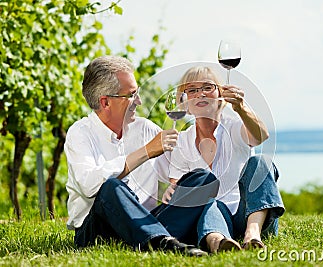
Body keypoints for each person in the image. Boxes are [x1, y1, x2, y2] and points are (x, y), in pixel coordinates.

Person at [64, 56, 215, 256]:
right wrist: (145, 152)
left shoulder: (145, 128)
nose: (140, 101)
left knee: (203, 179)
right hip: (98, 230)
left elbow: (182, 165)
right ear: (106, 102)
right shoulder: (80, 133)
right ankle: (162, 241)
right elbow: (89, 185)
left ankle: (156, 239)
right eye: (132, 95)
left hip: (145, 221)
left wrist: (176, 182)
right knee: (111, 186)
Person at [163, 66, 285, 253]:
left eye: (207, 87)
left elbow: (261, 136)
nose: (200, 94)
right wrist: (172, 191)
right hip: (212, 217)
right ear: (184, 101)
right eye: (192, 90)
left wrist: (241, 107)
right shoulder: (182, 141)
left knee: (260, 162)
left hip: (250, 214)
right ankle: (217, 242)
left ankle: (252, 234)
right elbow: (179, 186)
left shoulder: (235, 127)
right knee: (208, 200)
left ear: (221, 94)